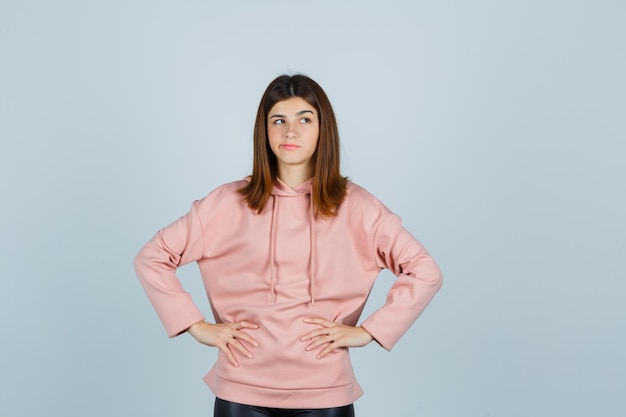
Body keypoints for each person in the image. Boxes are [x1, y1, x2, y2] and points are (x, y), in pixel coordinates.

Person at [134, 74, 443, 417]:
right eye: (278, 120)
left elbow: (424, 271)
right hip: (241, 388)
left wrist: (370, 331)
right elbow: (153, 257)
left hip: (325, 393)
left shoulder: (360, 207)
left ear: (323, 130)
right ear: (264, 131)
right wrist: (196, 326)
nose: (290, 131)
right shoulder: (226, 203)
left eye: (304, 119)